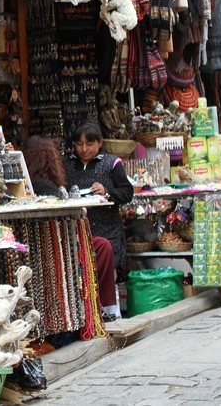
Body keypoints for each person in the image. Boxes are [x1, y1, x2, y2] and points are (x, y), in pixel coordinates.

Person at [23, 134, 120, 322]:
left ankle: (101, 307)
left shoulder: (38, 184)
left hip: (58, 243)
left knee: (102, 245)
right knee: (101, 246)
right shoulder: (45, 185)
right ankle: (101, 307)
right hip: (58, 247)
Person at [64, 121, 135, 319]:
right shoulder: (67, 163)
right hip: (77, 230)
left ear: (100, 143)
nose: (84, 149)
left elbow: (127, 192)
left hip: (107, 229)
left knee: (104, 273)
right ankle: (85, 316)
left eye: (89, 144)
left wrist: (107, 192)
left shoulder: (111, 163)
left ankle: (108, 313)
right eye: (79, 144)